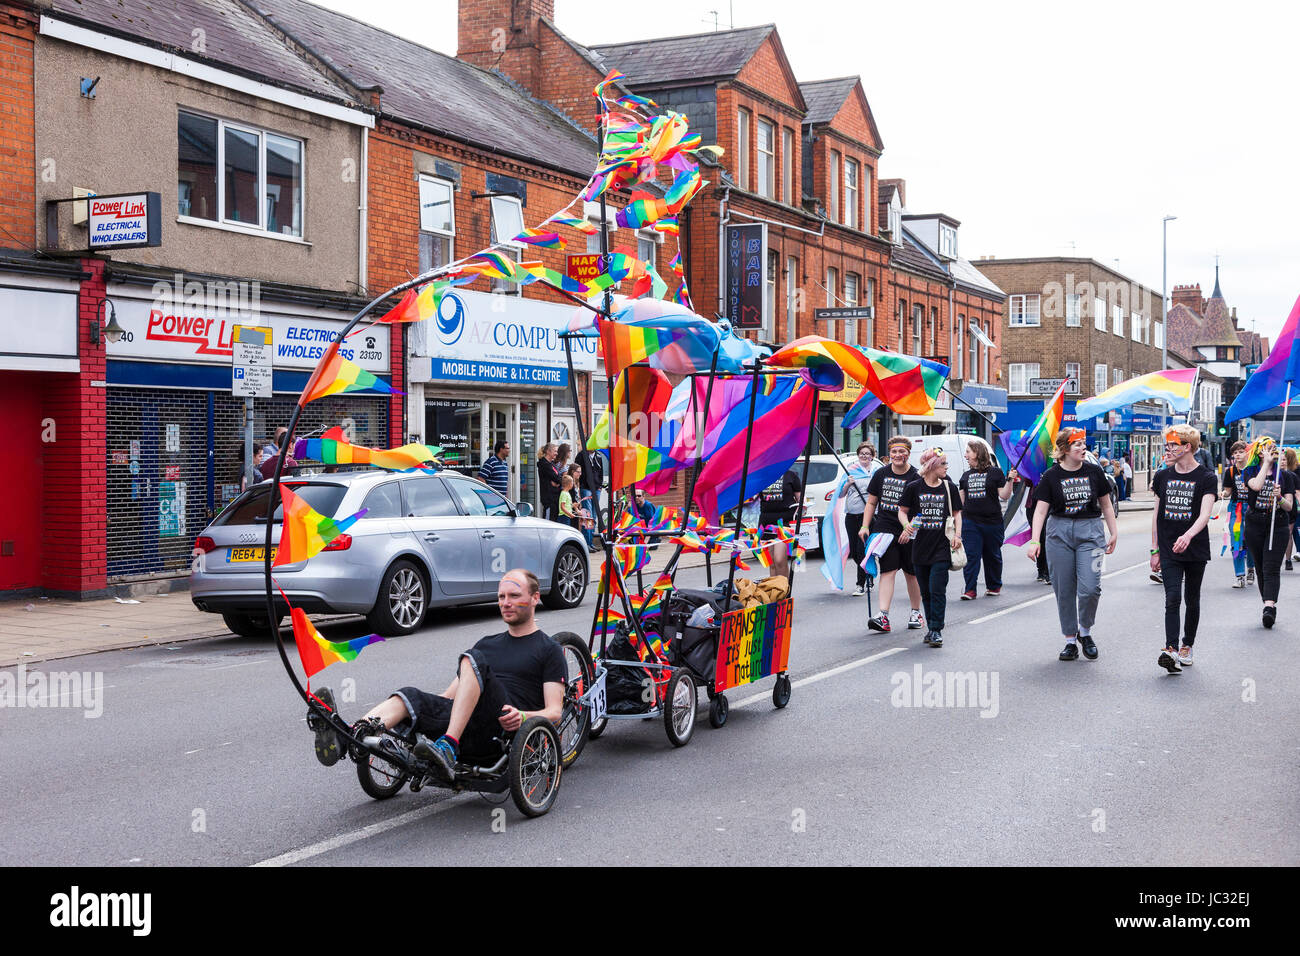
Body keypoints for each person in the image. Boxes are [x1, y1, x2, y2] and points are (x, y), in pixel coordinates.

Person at [309, 569, 566, 782]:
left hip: (500, 733)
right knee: (411, 696)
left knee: (473, 659)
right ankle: (348, 736)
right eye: (501, 596)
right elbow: (451, 695)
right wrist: (425, 710)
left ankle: (449, 747)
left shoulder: (548, 649)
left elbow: (555, 711)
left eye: (514, 596)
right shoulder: (487, 644)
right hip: (466, 724)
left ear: (534, 598)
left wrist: (523, 716)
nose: (505, 602)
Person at [1026, 427, 1119, 662]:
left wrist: (1114, 532)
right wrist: (1035, 540)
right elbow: (1040, 512)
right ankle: (1070, 640)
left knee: (1091, 588)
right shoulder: (1050, 476)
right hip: (1059, 533)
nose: (1083, 447)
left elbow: (1106, 505)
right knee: (1064, 589)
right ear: (1065, 448)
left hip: (1091, 532)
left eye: (1084, 443)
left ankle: (1085, 632)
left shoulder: (1094, 472)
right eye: (1077, 444)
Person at [1150, 426, 1218, 673]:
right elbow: (1157, 515)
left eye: (1172, 445)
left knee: (1192, 598)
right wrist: (1154, 549)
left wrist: (1188, 536)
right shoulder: (1162, 477)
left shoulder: (1207, 478)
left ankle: (1187, 645)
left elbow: (1205, 514)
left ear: (1187, 447)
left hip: (1195, 547)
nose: (1168, 449)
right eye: (1167, 445)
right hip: (1169, 548)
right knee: (1172, 597)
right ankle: (1170, 648)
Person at [897, 448, 962, 647]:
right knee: (925, 591)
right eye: (943, 463)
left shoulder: (949, 487)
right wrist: (906, 525)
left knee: (937, 589)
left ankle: (936, 629)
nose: (946, 467)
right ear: (932, 465)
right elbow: (902, 511)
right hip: (919, 547)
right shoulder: (914, 487)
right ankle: (931, 628)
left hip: (942, 546)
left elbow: (957, 513)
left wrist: (958, 535)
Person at [859, 436, 924, 633]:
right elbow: (871, 502)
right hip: (885, 528)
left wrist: (909, 529)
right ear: (889, 454)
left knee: (911, 573)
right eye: (894, 452)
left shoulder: (916, 476)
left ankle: (916, 612)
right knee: (888, 570)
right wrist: (864, 526)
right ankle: (883, 615)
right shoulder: (881, 474)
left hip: (910, 529)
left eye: (902, 452)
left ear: (908, 454)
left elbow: (922, 509)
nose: (898, 455)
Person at [1242, 438, 1297, 628]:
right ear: (1259, 452)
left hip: (1278, 524)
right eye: (1268, 449)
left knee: (1271, 567)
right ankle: (1267, 599)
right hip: (1255, 523)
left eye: (1274, 448)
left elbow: (1289, 506)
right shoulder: (1249, 471)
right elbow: (1256, 486)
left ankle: (1269, 606)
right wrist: (1265, 464)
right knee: (1259, 566)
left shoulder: (1286, 476)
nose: (1273, 451)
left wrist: (1279, 497)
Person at [958, 439, 1012, 599]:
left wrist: (1009, 480)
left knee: (992, 555)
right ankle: (970, 590)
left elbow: (1004, 495)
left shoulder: (994, 472)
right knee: (971, 556)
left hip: (992, 522)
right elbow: (961, 502)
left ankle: (994, 586)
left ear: (977, 453)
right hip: (970, 522)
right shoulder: (965, 476)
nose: (966, 455)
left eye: (968, 451)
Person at [843, 442, 881, 596]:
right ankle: (869, 574)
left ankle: (860, 584)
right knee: (854, 551)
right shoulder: (851, 471)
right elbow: (840, 494)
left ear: (872, 456)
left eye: (867, 453)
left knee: (862, 549)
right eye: (862, 453)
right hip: (851, 516)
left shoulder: (877, 472)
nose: (864, 456)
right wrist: (847, 483)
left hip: (869, 517)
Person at [1221, 440, 1256, 588]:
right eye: (1235, 453)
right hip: (1236, 509)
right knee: (1237, 542)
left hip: (1252, 508)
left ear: (1247, 452)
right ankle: (1239, 576)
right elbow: (1228, 491)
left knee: (1251, 542)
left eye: (1240, 452)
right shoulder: (1230, 471)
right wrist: (1223, 493)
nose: (1237, 455)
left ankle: (1251, 569)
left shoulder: (1254, 470)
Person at [568, 463, 596, 551]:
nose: (580, 474)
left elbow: (577, 495)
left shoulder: (577, 482)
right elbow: (570, 498)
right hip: (572, 509)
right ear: (572, 472)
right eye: (578, 472)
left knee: (587, 521)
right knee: (576, 526)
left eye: (581, 472)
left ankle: (588, 542)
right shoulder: (570, 482)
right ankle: (584, 544)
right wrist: (576, 509)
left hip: (577, 507)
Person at [536, 443, 561, 521]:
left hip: (554, 498)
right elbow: (556, 478)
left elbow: (557, 479)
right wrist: (558, 481)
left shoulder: (551, 464)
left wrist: (557, 482)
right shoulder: (544, 464)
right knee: (549, 521)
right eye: (555, 451)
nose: (556, 454)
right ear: (548, 451)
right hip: (549, 499)